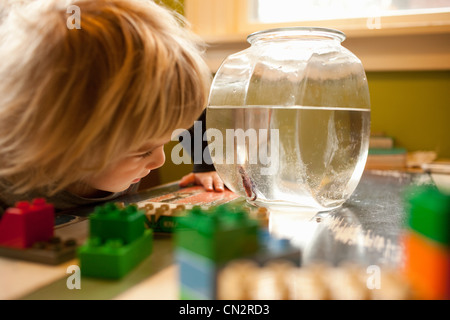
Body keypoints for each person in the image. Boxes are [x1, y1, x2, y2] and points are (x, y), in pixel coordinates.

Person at [0, 0, 223, 215]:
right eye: (144, 151)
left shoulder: (132, 125)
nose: (159, 161)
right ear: (69, 142)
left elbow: (186, 115)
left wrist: (205, 166)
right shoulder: (10, 177)